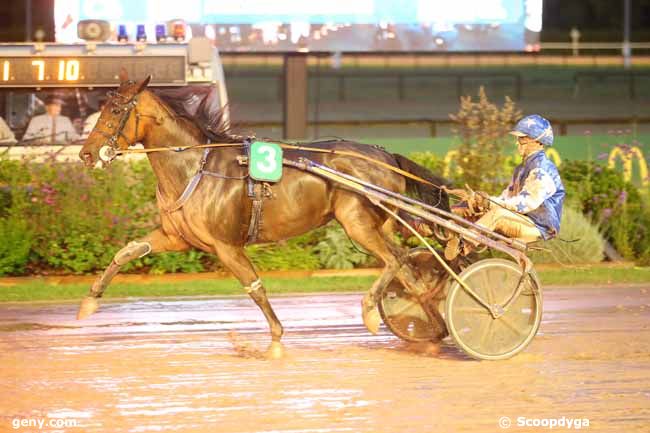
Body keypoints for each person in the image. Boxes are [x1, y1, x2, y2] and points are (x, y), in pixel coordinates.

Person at [447, 114, 565, 259]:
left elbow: (525, 204)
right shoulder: (521, 169)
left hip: (538, 227)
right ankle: (437, 227)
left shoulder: (542, 169)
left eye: (522, 139)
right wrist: (484, 202)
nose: (517, 143)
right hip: (523, 219)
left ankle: (462, 246)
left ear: (537, 141)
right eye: (518, 139)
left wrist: (490, 203)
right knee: (473, 208)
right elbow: (506, 197)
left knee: (497, 214)